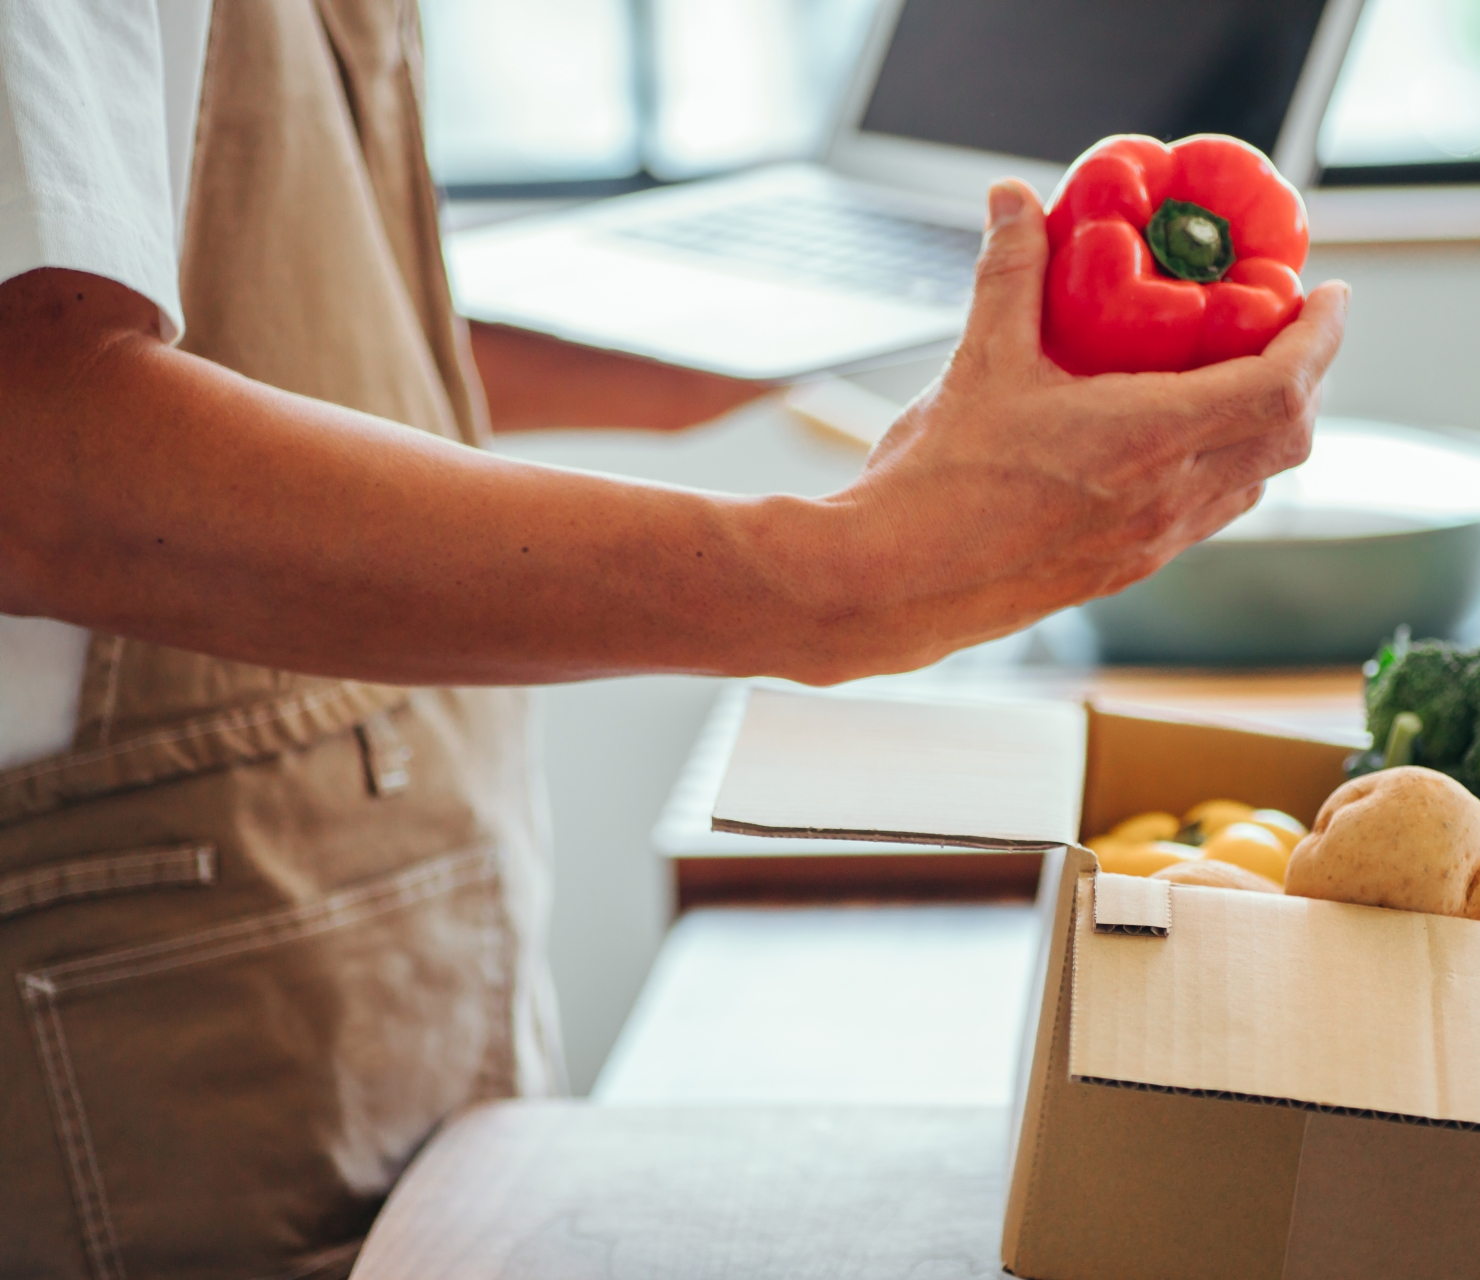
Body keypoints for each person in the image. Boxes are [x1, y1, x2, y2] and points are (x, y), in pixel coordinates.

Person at [0, 3, 1348, 1277]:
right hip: (157, 1006)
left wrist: (697, 327)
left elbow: (222, 304)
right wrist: (830, 580)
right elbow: (38, 456)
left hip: (327, 916)